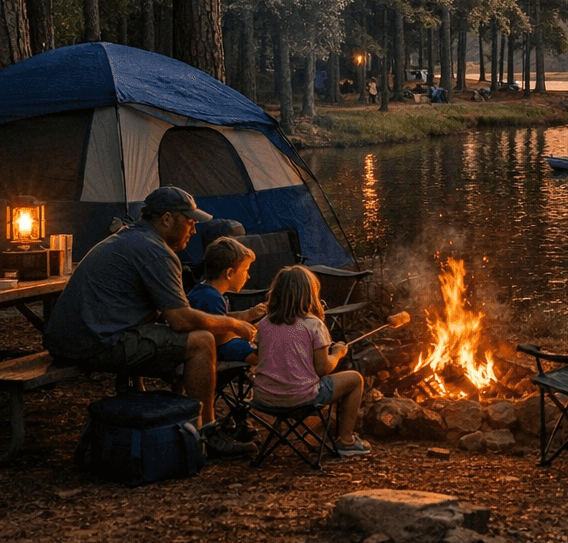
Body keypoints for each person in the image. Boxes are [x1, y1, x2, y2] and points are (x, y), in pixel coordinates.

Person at [43, 186, 258, 459]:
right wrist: (233, 325)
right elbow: (180, 320)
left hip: (68, 338)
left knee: (170, 331)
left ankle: (183, 419)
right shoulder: (156, 251)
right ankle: (207, 436)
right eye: (189, 222)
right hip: (96, 341)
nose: (193, 230)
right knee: (202, 342)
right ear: (167, 219)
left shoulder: (128, 237)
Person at [252, 265, 370, 457]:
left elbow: (265, 356)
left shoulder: (264, 324)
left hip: (264, 398)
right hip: (302, 399)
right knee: (355, 379)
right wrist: (338, 353)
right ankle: (346, 440)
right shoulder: (313, 325)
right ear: (310, 295)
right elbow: (323, 369)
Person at [186, 237, 268, 364]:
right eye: (245, 270)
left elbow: (220, 318)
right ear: (229, 273)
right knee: (256, 351)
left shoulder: (204, 291)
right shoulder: (211, 298)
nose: (248, 276)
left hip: (210, 346)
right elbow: (217, 337)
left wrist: (247, 314)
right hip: (212, 351)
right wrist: (246, 332)